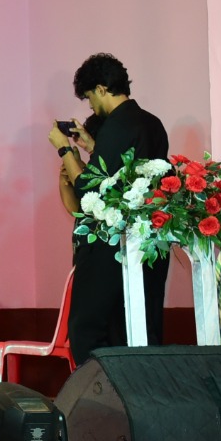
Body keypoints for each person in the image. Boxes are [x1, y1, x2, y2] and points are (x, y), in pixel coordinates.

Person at [49, 52, 170, 356]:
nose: (90, 105)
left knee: (88, 329)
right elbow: (120, 172)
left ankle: (97, 387)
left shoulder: (117, 125)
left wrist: (64, 149)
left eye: (90, 97)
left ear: (101, 89)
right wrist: (93, 146)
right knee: (140, 328)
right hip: (147, 242)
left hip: (109, 244)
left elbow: (89, 187)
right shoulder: (151, 123)